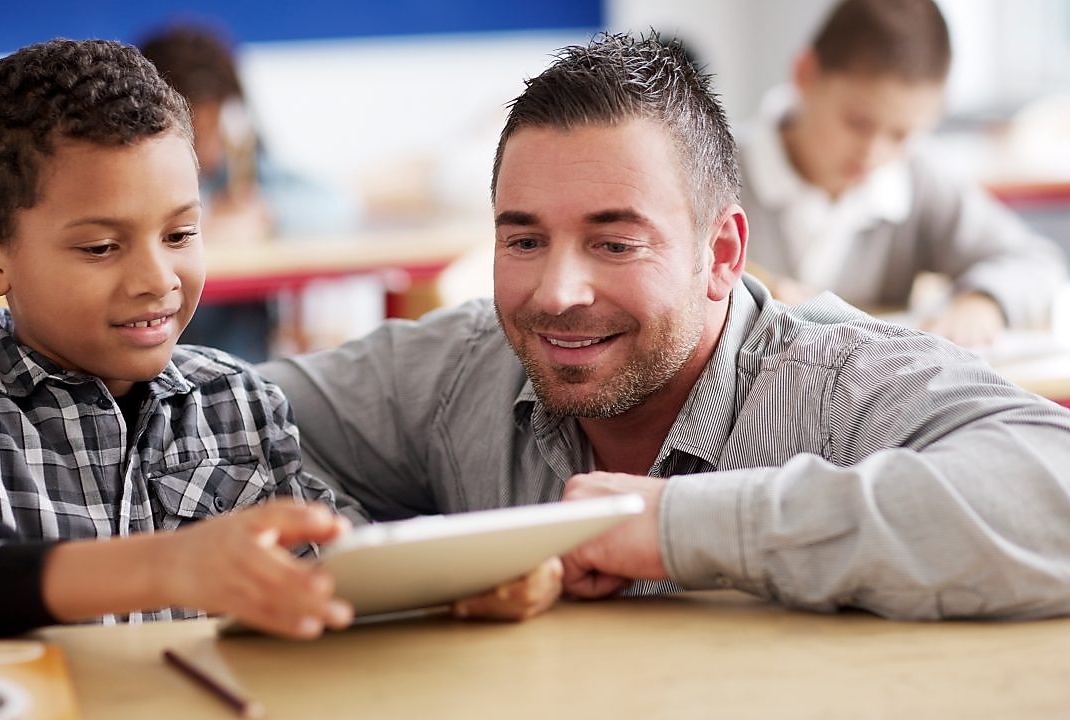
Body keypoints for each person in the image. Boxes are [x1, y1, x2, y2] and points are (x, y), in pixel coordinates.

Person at [258, 31, 1070, 621]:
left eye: (615, 242)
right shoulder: (459, 368)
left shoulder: (841, 384)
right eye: (524, 239)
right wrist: (395, 566)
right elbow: (207, 411)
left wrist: (673, 529)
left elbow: (1054, 497)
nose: (558, 290)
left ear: (721, 254)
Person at [0, 37, 554, 638]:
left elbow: (337, 573)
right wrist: (164, 567)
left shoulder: (234, 402)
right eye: (102, 247)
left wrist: (456, 589)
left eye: (180, 233)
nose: (156, 279)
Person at [737, 0, 1066, 348]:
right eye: (857, 123)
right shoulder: (716, 167)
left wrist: (983, 301)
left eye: (901, 134)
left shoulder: (918, 178)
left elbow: (1036, 261)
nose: (874, 152)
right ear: (805, 73)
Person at [139, 24, 362, 362]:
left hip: (242, 364)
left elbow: (335, 204)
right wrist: (203, 225)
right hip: (163, 359)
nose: (208, 148)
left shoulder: (240, 171)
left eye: (215, 126)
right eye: (194, 130)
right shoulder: (134, 178)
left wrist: (265, 215)